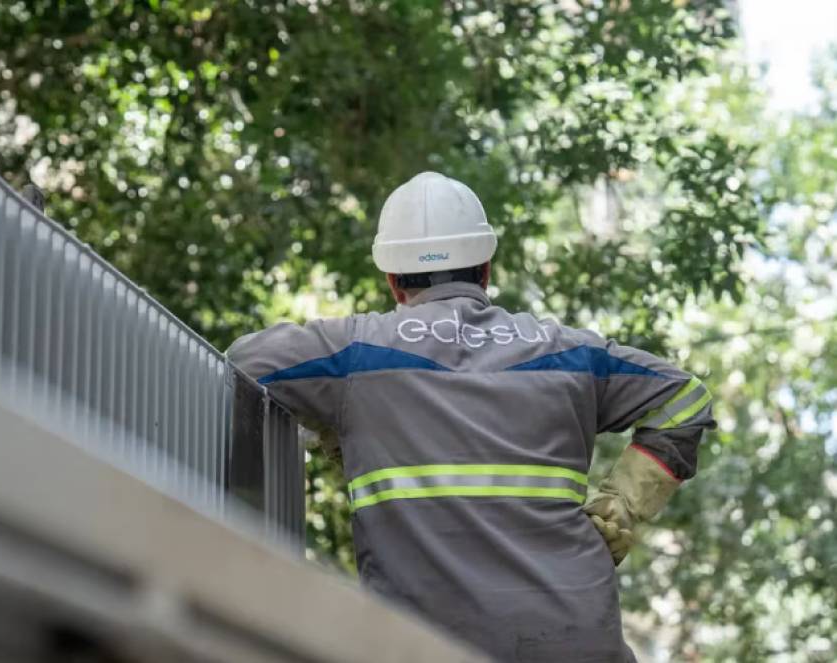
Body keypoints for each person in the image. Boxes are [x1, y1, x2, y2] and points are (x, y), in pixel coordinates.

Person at [228, 171, 716, 661]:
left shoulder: (355, 354)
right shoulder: (570, 353)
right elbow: (686, 399)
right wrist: (620, 510)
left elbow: (245, 364)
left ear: (394, 281)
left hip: (424, 644)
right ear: (484, 269)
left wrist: (337, 426)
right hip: (576, 641)